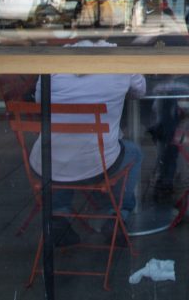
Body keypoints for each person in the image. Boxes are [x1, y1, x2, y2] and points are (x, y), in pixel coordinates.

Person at [29, 60, 147, 246]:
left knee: (61, 152)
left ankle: (58, 214)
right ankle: (116, 215)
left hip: (48, 163)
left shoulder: (54, 65)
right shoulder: (120, 63)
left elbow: (39, 99)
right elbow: (140, 90)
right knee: (134, 152)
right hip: (99, 164)